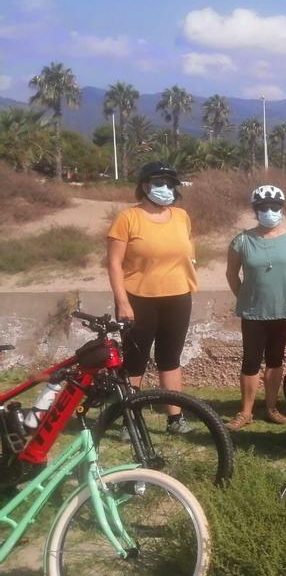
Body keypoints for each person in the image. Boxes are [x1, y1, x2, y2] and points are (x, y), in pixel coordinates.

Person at [105, 161, 198, 434]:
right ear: (145, 186)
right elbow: (113, 264)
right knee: (135, 361)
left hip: (179, 297)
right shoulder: (127, 218)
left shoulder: (182, 216)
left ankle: (175, 418)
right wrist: (122, 302)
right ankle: (129, 420)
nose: (166, 189)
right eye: (160, 183)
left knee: (171, 358)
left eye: (171, 184)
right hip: (138, 299)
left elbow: (187, 251)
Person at [223, 185, 286, 430]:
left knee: (275, 359)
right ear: (255, 210)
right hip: (253, 311)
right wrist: (243, 295)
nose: (269, 211)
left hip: (285, 309)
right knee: (250, 360)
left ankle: (272, 407)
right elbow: (232, 274)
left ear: (281, 208)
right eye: (263, 207)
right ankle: (246, 411)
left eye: (274, 206)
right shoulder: (241, 240)